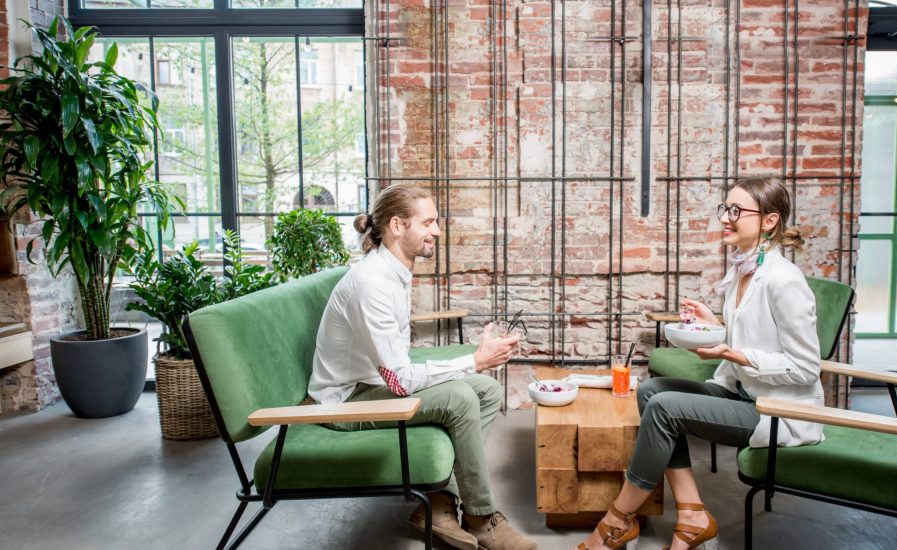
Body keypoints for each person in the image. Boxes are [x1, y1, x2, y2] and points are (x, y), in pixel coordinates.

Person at [577, 177, 824, 550]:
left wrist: (731, 352)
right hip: (743, 392)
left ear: (769, 220)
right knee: (651, 390)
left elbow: (806, 368)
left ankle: (618, 520)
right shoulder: (744, 271)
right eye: (725, 208)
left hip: (778, 411)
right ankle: (692, 515)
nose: (726, 217)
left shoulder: (784, 281)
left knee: (663, 410)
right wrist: (717, 326)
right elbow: (755, 337)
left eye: (737, 211)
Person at [308, 183, 537, 550]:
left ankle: (441, 501)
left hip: (372, 382)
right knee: (461, 398)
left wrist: (472, 366)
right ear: (397, 226)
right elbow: (398, 380)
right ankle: (480, 517)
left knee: (488, 390)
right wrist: (474, 360)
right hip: (346, 400)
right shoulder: (373, 284)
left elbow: (395, 365)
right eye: (428, 222)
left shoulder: (394, 270)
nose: (437, 231)